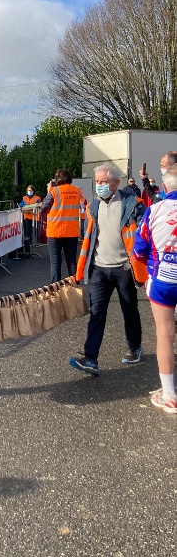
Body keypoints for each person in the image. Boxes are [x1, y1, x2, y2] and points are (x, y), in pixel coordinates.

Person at [69, 162, 147, 375]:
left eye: (103, 182)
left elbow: (144, 230)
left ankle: (135, 347)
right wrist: (82, 270)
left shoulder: (132, 204)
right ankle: (90, 358)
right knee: (97, 313)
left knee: (129, 309)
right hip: (100, 269)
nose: (99, 186)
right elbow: (89, 239)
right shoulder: (93, 206)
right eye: (97, 181)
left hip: (124, 268)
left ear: (116, 183)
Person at [133, 167, 177, 413]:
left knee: (165, 333)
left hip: (163, 279)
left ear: (165, 186)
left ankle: (169, 395)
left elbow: (139, 250)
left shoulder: (155, 210)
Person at [40, 168, 81, 283]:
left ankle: (55, 289)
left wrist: (49, 190)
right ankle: (75, 286)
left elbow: (44, 208)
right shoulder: (76, 191)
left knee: (55, 262)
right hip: (71, 231)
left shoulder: (54, 191)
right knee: (71, 262)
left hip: (55, 232)